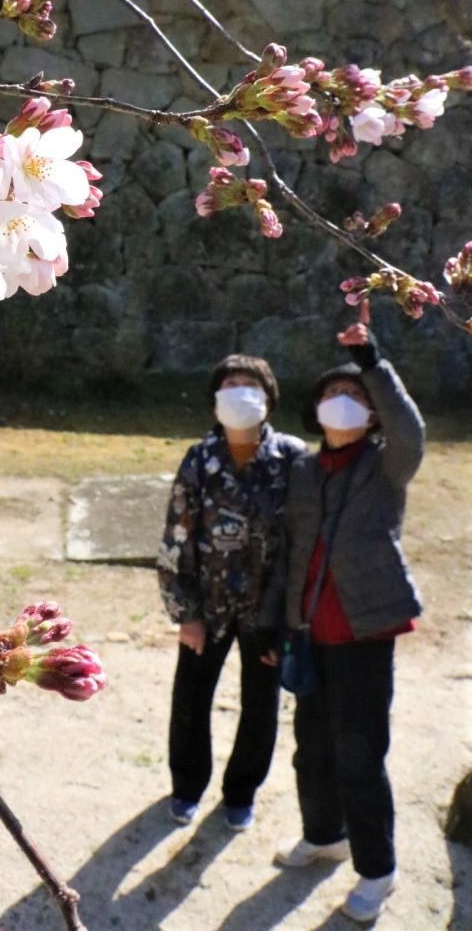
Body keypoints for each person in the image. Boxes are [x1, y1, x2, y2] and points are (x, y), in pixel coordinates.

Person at [269, 301, 424, 925]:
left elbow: (410, 431)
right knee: (312, 747)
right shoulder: (306, 471)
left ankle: (377, 870)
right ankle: (324, 833)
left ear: (369, 410)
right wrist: (279, 626)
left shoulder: (387, 467)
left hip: (365, 630)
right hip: (311, 633)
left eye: (353, 393)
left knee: (361, 752)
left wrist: (373, 364)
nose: (342, 400)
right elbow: (292, 552)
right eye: (332, 391)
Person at [157, 354, 305, 830]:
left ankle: (241, 791)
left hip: (268, 613)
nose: (240, 390)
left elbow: (303, 542)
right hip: (209, 607)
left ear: (268, 398)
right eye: (230, 383)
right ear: (216, 398)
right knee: (191, 701)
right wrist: (187, 613)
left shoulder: (293, 459)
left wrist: (290, 617)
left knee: (261, 707)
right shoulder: (200, 460)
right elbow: (176, 536)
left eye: (250, 383)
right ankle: (186, 786)